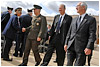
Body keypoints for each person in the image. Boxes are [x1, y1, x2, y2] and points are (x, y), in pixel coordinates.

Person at [64, 2, 96, 66]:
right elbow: (69, 32)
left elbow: (92, 34)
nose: (76, 8)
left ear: (83, 7)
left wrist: (89, 47)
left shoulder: (91, 19)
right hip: (71, 46)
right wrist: (66, 43)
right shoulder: (74, 19)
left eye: (77, 6)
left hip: (82, 48)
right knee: (68, 64)